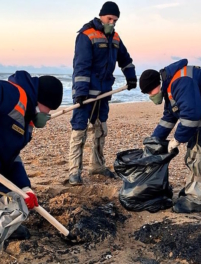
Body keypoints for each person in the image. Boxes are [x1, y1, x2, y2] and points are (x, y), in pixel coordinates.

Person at [0, 71, 63, 261]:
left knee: (19, 201)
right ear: (40, 99)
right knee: (15, 208)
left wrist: (25, 187)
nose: (47, 114)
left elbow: (12, 158)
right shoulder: (11, 95)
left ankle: (5, 227)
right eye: (47, 108)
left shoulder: (26, 123)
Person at [139, 58, 201, 213]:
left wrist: (177, 140)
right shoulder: (169, 87)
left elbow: (192, 115)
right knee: (196, 150)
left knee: (198, 152)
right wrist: (154, 141)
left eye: (150, 92)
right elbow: (169, 117)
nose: (150, 96)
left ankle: (196, 198)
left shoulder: (180, 82)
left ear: (157, 85)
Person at [69, 1, 137, 185]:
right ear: (102, 16)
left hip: (104, 92)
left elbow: (125, 59)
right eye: (110, 19)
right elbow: (81, 66)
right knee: (79, 129)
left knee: (100, 128)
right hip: (86, 93)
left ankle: (97, 165)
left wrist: (131, 77)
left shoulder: (115, 37)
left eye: (115, 20)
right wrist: (81, 93)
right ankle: (74, 171)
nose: (112, 23)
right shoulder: (86, 35)